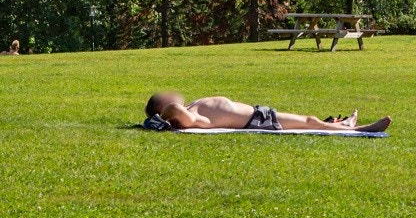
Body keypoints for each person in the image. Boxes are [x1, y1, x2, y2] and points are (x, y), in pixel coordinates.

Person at [144, 92, 391, 133]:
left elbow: (175, 108)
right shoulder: (191, 117)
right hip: (257, 121)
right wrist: (161, 114)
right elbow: (173, 109)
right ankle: (358, 130)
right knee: (309, 121)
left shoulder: (190, 108)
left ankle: (346, 125)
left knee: (309, 120)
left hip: (259, 113)